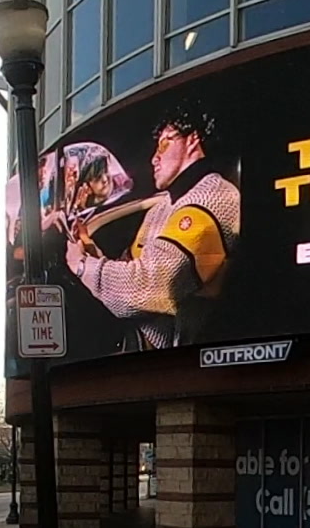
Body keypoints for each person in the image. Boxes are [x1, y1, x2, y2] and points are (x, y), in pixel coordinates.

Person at [56, 112, 240, 350]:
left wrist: (82, 266)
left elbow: (149, 288)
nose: (154, 158)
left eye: (164, 144)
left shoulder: (213, 198)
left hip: (183, 358)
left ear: (193, 140)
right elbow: (132, 267)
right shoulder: (162, 207)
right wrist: (92, 252)